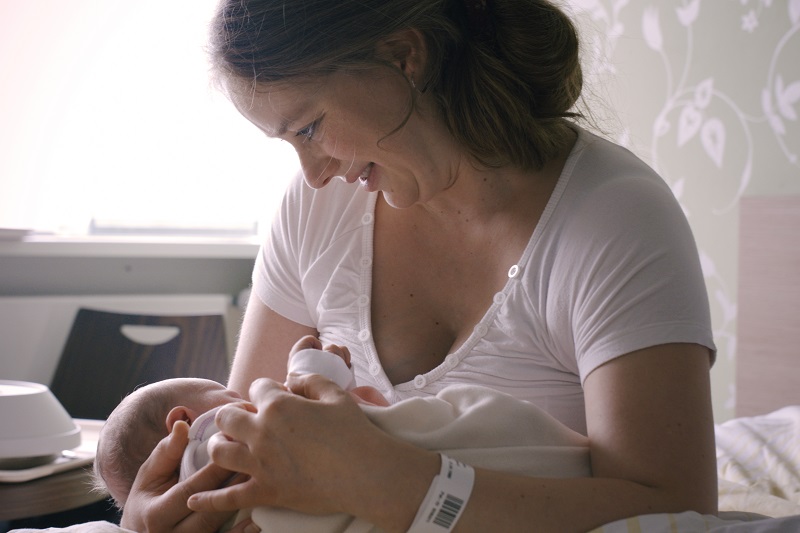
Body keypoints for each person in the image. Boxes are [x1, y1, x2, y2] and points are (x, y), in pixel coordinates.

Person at [121, 0, 718, 532]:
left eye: (310, 127)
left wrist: (392, 483)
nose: (312, 171)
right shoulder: (316, 207)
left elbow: (676, 512)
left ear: (405, 55)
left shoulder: (611, 217)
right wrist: (157, 519)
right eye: (291, 142)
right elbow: (244, 440)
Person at [94, 335, 386, 509]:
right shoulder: (202, 454)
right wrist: (313, 372)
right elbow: (302, 431)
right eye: (228, 394)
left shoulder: (191, 504)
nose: (244, 399)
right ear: (184, 422)